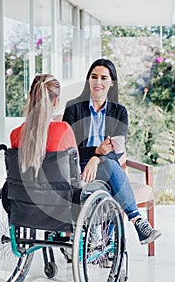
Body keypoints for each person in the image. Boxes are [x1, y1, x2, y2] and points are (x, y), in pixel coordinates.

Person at [63, 58, 161, 245]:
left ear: (111, 82)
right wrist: (96, 152)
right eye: (94, 77)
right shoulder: (73, 108)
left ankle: (105, 243)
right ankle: (136, 221)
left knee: (108, 168)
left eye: (103, 77)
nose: (98, 82)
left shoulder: (119, 112)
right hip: (78, 167)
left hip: (105, 165)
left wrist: (96, 158)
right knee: (108, 172)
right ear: (88, 80)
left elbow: (116, 148)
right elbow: (69, 149)